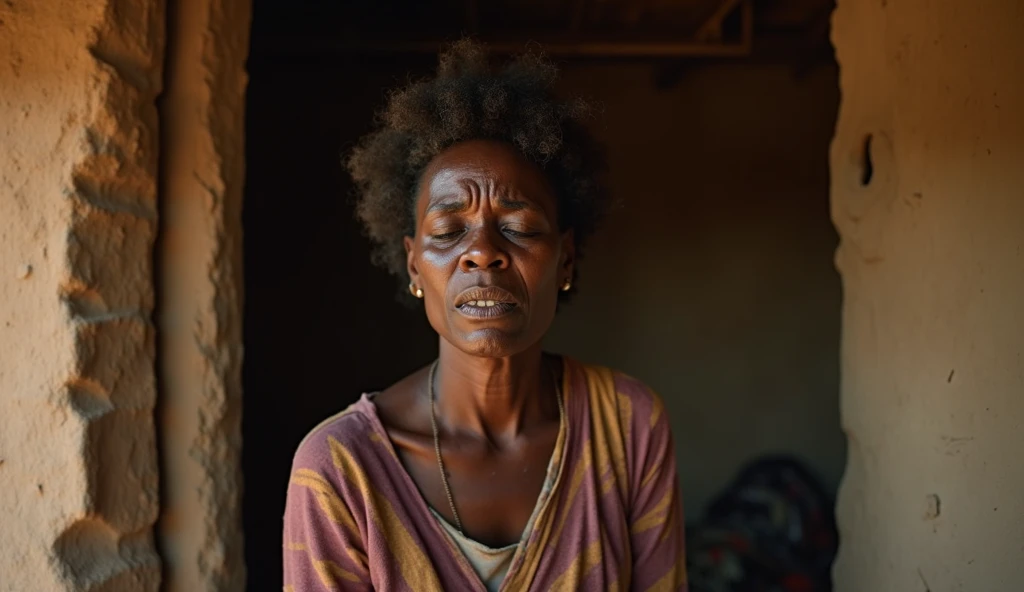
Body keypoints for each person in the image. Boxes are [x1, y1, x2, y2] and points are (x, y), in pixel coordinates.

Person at [282, 40, 687, 591]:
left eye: (518, 228)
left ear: (565, 259)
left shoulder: (629, 426)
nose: (482, 252)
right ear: (414, 267)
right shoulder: (339, 469)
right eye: (449, 233)